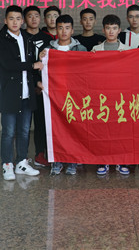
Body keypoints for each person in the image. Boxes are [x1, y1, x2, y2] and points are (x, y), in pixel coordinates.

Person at [0, 5, 43, 181]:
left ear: (22, 21)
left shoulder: (27, 38)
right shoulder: (1, 40)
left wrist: (37, 70)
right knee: (8, 132)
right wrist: (32, 65)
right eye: (11, 19)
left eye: (17, 19)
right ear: (5, 21)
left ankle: (22, 162)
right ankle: (7, 164)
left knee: (24, 131)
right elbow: (8, 65)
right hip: (10, 93)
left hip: (27, 93)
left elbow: (33, 63)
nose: (15, 22)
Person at [41, 14, 87, 175]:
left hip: (74, 95)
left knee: (74, 128)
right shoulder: (48, 50)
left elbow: (87, 72)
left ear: (72, 30)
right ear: (56, 30)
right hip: (55, 96)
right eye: (60, 28)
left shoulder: (81, 49)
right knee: (56, 129)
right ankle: (57, 161)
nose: (64, 31)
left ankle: (72, 161)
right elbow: (40, 70)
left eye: (67, 28)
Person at [91, 14, 131, 176]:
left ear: (119, 30)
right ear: (103, 30)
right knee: (103, 129)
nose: (111, 31)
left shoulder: (128, 50)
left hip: (121, 96)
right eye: (108, 28)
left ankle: (121, 160)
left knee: (121, 129)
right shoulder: (96, 49)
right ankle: (104, 160)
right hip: (102, 96)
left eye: (114, 28)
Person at [23, 5, 54, 167]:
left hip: (43, 87)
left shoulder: (48, 38)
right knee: (24, 125)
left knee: (42, 121)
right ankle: (22, 157)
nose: (34, 19)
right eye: (30, 16)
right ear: (24, 19)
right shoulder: (20, 36)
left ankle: (41, 153)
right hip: (24, 85)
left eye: (36, 15)